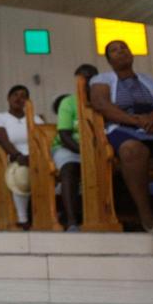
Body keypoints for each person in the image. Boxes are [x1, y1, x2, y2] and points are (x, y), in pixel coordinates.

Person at [90, 42, 153, 233]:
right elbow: (102, 106)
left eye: (124, 48)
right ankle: (147, 216)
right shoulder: (102, 79)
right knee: (133, 150)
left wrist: (152, 117)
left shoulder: (148, 79)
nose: (121, 51)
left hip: (152, 126)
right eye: (114, 50)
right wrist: (135, 121)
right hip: (121, 126)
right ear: (109, 60)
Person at [53, 64, 98, 231]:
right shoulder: (69, 102)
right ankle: (72, 221)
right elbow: (64, 135)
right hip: (69, 147)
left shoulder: (100, 101)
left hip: (95, 149)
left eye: (91, 77)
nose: (87, 80)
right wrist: (84, 152)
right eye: (83, 77)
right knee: (69, 169)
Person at [0, 86, 43, 229]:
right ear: (8, 98)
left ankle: (47, 215)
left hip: (36, 156)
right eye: (15, 95)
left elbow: (44, 140)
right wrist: (16, 155)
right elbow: (1, 138)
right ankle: (23, 217)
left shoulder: (35, 118)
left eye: (23, 96)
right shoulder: (0, 117)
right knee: (21, 171)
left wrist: (36, 157)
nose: (19, 99)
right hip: (12, 156)